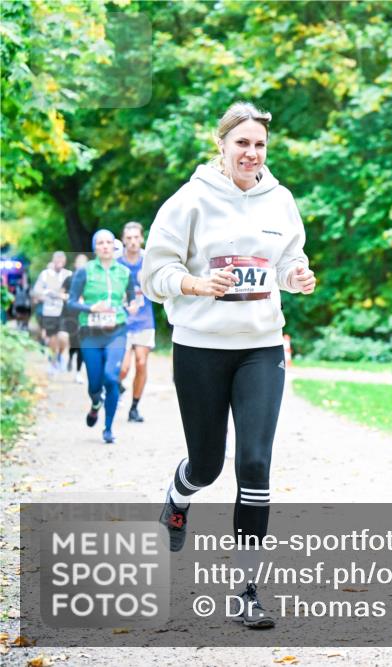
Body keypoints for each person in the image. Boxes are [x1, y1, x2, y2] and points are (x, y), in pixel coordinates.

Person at [141, 102, 315, 629]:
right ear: (221, 145)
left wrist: (298, 274)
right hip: (199, 347)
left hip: (261, 346)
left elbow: (288, 260)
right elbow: (155, 274)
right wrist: (193, 283)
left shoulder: (280, 200)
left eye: (259, 144)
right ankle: (180, 493)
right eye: (242, 143)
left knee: (256, 465)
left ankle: (246, 589)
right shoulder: (190, 200)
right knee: (209, 465)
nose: (251, 153)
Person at [65, 230, 138, 444]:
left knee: (111, 376)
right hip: (90, 334)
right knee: (95, 383)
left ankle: (108, 428)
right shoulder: (84, 272)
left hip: (117, 331)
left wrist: (132, 306)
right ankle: (96, 403)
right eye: (100, 243)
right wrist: (90, 307)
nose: (105, 246)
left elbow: (133, 298)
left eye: (108, 242)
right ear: (95, 247)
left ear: (114, 246)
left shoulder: (124, 272)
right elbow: (70, 302)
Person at [117, 222, 156, 422]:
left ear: (141, 238)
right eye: (129, 238)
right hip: (121, 320)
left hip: (144, 318)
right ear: (124, 240)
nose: (132, 241)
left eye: (136, 237)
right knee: (122, 369)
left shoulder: (149, 259)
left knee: (141, 362)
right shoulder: (116, 262)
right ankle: (118, 389)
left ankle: (134, 407)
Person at [32, 252, 73, 373]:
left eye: (62, 259)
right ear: (53, 260)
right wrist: (48, 293)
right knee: (52, 339)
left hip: (64, 312)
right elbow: (37, 290)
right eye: (57, 259)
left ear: (65, 261)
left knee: (64, 337)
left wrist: (65, 296)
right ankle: (53, 360)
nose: (59, 261)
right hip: (49, 312)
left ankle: (60, 355)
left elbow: (75, 292)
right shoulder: (45, 274)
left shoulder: (68, 274)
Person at [64, 253, 90, 383]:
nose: (82, 265)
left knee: (81, 345)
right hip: (72, 315)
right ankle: (70, 358)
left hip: (87, 315)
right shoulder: (70, 278)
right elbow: (63, 293)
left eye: (84, 262)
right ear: (75, 264)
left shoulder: (92, 278)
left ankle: (79, 372)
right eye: (79, 262)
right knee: (73, 343)